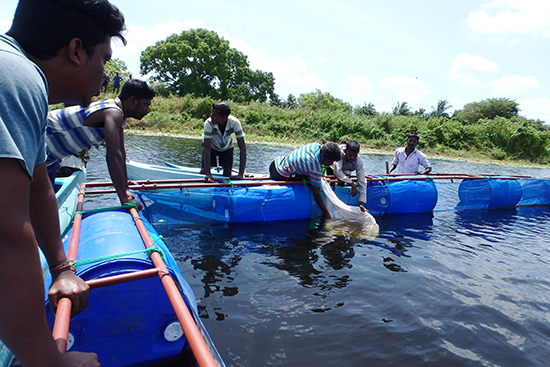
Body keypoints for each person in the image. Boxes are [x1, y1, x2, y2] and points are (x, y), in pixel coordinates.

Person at [0, 0, 126, 366]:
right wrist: (48, 361)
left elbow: (39, 186)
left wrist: (61, 268)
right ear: (75, 51)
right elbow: (7, 229)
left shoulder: (24, 78)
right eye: (103, 59)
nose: (104, 74)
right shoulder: (16, 75)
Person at [47, 79, 155, 207]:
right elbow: (113, 155)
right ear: (132, 101)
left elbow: (120, 153)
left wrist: (125, 189)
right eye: (146, 105)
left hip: (49, 158)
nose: (147, 110)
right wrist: (124, 198)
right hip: (38, 141)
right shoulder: (113, 112)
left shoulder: (118, 114)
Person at [269, 142, 342, 219]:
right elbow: (316, 193)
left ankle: (316, 179)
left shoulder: (315, 145)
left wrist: (318, 177)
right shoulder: (315, 168)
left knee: (312, 177)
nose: (331, 164)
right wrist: (326, 212)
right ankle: (316, 179)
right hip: (279, 173)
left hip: (276, 162)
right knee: (311, 184)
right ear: (322, 156)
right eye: (330, 161)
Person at [201, 102, 247, 181]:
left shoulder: (235, 123)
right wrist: (208, 174)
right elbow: (207, 148)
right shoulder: (208, 123)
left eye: (214, 115)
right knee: (204, 171)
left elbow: (242, 148)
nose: (211, 116)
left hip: (227, 149)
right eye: (211, 113)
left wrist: (240, 174)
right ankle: (205, 171)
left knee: (227, 174)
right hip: (212, 148)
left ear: (224, 117)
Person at [330, 140, 367, 212]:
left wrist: (361, 203)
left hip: (347, 169)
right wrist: (352, 184)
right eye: (350, 155)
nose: (352, 158)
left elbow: (362, 180)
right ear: (345, 151)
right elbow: (338, 172)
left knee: (344, 182)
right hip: (333, 167)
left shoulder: (359, 160)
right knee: (333, 183)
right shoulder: (339, 154)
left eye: (355, 155)